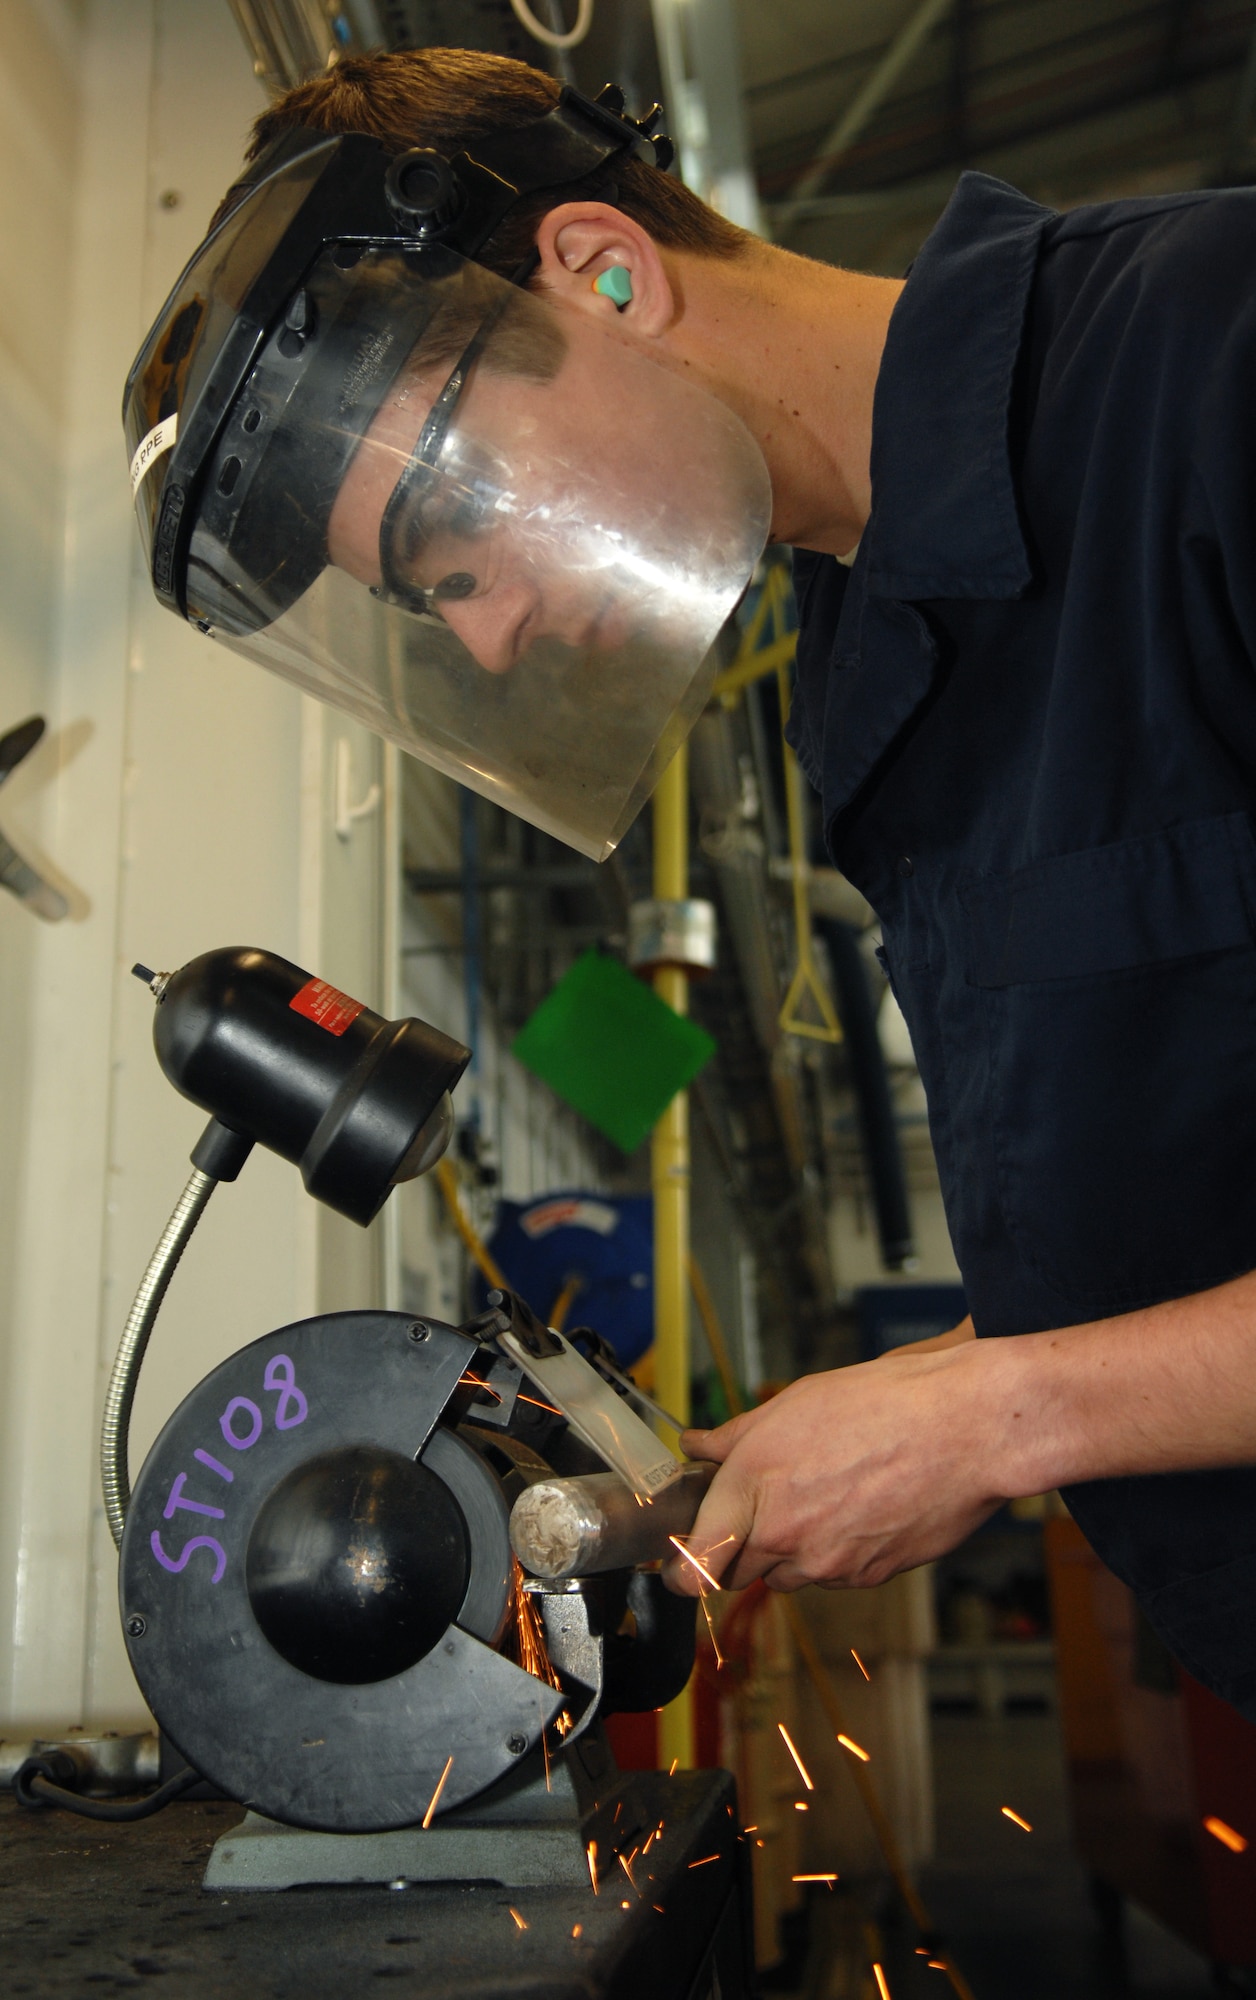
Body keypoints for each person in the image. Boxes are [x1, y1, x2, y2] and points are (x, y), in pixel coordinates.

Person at [126, 48, 1256, 1721]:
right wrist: (922, 1391)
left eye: (455, 540)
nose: (490, 632)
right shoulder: (877, 675)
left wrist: (1008, 1417)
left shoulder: (1211, 363)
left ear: (605, 271)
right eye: (435, 604)